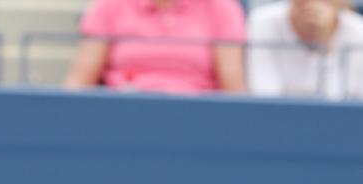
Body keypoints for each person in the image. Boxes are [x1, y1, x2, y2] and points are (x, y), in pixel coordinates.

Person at [66, 0, 246, 94]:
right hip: (122, 118)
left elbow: (234, 91)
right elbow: (78, 84)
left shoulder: (222, 7)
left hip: (197, 122)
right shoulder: (109, 5)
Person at [248, 0, 363, 100]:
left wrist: (324, 47)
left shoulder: (358, 32)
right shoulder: (262, 23)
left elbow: (340, 107)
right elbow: (266, 98)